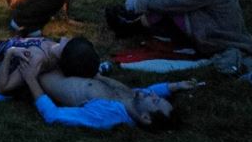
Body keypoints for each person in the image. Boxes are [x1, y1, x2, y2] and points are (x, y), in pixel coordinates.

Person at [21, 49, 198, 131]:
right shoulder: (132, 98)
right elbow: (149, 91)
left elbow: (53, 116)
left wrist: (30, 79)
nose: (152, 94)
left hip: (44, 69)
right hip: (64, 61)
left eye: (155, 100)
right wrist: (174, 86)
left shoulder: (107, 116)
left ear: (145, 118)